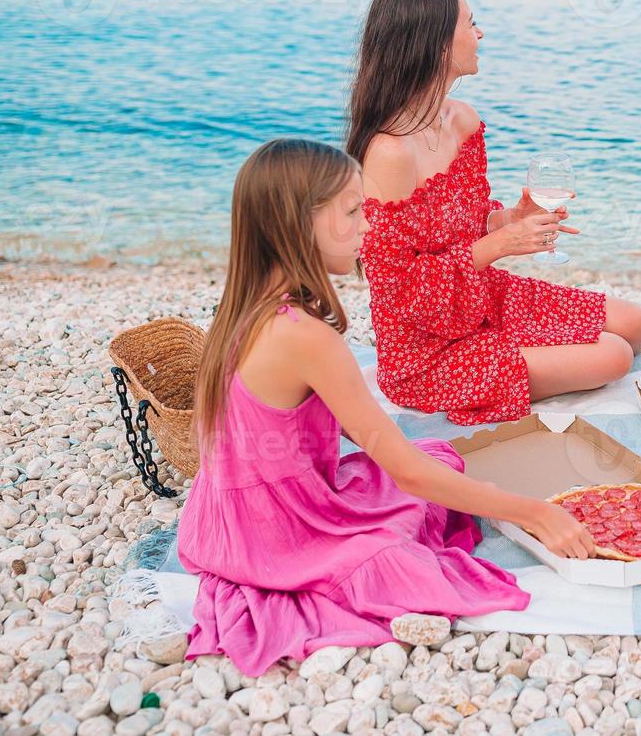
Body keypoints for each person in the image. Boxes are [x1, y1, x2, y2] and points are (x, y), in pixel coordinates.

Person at [177, 139, 598, 676]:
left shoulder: (246, 302)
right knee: (403, 548)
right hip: (275, 530)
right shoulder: (303, 336)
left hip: (222, 510)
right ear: (299, 222)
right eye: (353, 213)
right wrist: (532, 511)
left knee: (438, 458)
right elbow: (404, 469)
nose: (369, 228)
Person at [346, 0, 641, 426]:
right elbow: (398, 289)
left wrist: (510, 218)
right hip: (427, 349)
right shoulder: (388, 152)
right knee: (615, 356)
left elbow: (467, 224)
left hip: (481, 297)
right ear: (438, 45)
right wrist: (504, 244)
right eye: (471, 23)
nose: (480, 34)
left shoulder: (462, 120)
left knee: (639, 322)